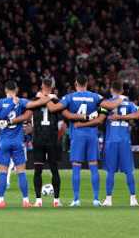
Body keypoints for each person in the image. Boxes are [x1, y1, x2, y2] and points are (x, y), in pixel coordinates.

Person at [11, 78, 63, 207]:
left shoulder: (35, 101)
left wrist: (27, 127)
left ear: (41, 86)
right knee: (54, 170)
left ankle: (38, 200)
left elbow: (27, 116)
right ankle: (56, 200)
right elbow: (62, 124)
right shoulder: (56, 101)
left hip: (38, 139)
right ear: (52, 87)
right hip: (51, 139)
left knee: (38, 170)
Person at [59, 75, 107, 207]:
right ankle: (96, 199)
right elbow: (106, 107)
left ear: (76, 84)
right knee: (93, 166)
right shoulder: (95, 97)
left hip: (77, 134)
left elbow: (61, 109)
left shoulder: (70, 97)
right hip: (92, 134)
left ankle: (76, 200)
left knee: (76, 167)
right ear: (87, 83)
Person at [0, 81, 33, 207]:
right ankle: (25, 201)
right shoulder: (22, 102)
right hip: (18, 141)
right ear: (16, 89)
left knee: (3, 172)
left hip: (4, 142)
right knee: (21, 172)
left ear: (5, 90)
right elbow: (31, 109)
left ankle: (1, 200)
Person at [99, 82, 139, 207]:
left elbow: (100, 117)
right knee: (128, 171)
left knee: (110, 171)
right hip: (125, 141)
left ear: (111, 90)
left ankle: (108, 199)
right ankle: (133, 199)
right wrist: (125, 118)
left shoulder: (107, 103)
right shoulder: (130, 103)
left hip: (111, 140)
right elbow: (137, 115)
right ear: (122, 90)